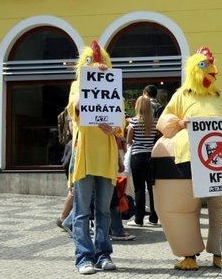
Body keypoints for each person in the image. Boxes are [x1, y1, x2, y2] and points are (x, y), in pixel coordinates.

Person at [150, 47, 222, 270]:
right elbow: (164, 121)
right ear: (194, 69)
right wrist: (180, 123)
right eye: (205, 65)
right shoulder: (182, 95)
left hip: (221, 161)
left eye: (212, 66)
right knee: (181, 206)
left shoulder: (219, 97)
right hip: (185, 159)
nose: (213, 70)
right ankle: (188, 254)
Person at [66, 41, 125, 274]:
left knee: (104, 210)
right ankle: (83, 258)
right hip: (84, 156)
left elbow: (120, 118)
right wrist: (90, 80)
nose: (98, 65)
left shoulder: (114, 86)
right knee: (82, 212)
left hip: (107, 155)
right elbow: (75, 107)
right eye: (92, 62)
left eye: (102, 62)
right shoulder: (76, 85)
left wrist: (115, 128)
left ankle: (103, 254)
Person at [126, 96, 159, 227]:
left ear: (137, 106)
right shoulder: (155, 122)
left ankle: (138, 219)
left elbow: (129, 141)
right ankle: (153, 218)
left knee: (139, 189)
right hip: (151, 156)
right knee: (152, 189)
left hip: (137, 156)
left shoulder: (133, 122)